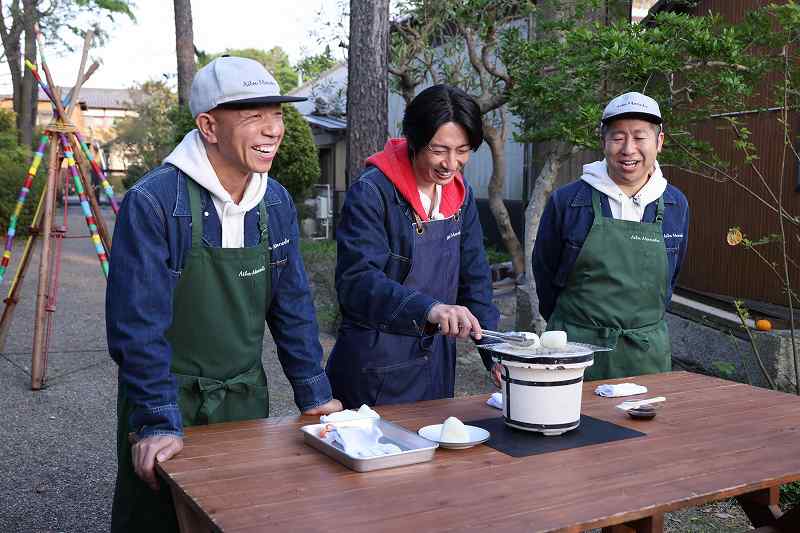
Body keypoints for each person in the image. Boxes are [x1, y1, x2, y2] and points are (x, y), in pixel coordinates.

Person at [106, 56, 342, 532]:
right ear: (209, 126)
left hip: (244, 398)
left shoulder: (274, 200)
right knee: (158, 521)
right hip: (167, 397)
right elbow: (137, 326)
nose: (273, 129)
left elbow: (292, 306)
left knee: (237, 516)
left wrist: (315, 395)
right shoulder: (155, 201)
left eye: (277, 113)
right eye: (254, 115)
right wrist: (156, 420)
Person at [326, 84, 500, 408]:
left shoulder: (460, 194)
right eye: (439, 150)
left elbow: (475, 277)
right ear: (414, 139)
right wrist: (429, 309)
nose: (451, 163)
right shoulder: (372, 192)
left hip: (436, 365)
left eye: (462, 150)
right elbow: (358, 282)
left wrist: (496, 353)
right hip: (377, 364)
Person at [533, 92, 689, 380]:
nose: (628, 149)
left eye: (640, 137)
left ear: (659, 142)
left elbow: (670, 278)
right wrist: (577, 327)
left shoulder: (675, 204)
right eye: (618, 137)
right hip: (575, 350)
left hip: (645, 353)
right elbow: (545, 276)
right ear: (603, 141)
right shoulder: (568, 201)